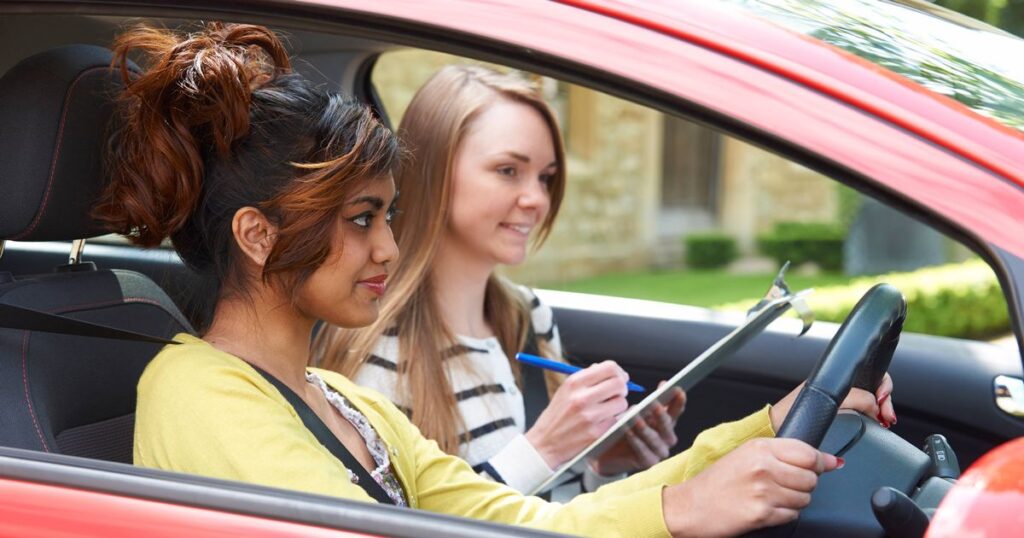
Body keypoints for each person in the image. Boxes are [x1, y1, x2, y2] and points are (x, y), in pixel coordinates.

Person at [112, 23, 895, 538]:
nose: (387, 245)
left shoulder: (342, 400)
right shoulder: (193, 389)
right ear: (258, 234)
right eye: (360, 219)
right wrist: (685, 509)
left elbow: (524, 522)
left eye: (387, 215)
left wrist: (769, 426)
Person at [313, 65, 898, 497]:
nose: (535, 199)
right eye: (507, 170)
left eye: (545, 177)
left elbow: (556, 504)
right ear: (434, 172)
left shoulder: (526, 313)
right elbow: (394, 522)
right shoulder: (379, 347)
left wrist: (602, 460)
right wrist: (546, 446)